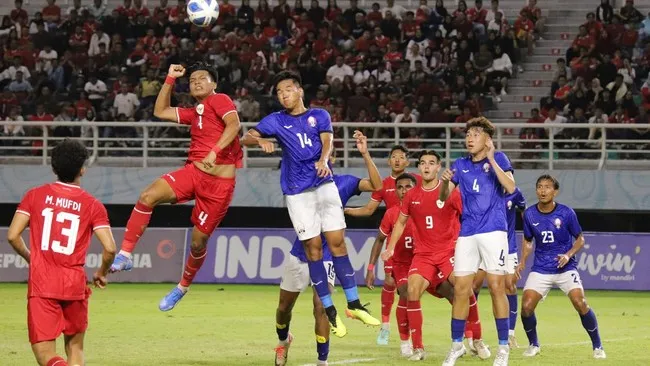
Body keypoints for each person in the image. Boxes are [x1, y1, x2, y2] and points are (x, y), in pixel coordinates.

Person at [242, 71, 380, 337]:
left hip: (324, 183)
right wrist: (260, 140)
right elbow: (246, 136)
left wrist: (323, 160)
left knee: (337, 242)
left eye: (288, 89)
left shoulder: (320, 115)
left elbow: (327, 141)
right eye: (279, 91)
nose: (284, 95)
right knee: (313, 249)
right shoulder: (276, 121)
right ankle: (330, 309)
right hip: (298, 192)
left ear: (300, 91)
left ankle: (353, 304)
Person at [109, 62, 243, 312]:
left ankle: (182, 287)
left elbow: (234, 126)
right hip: (193, 173)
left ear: (214, 84)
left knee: (197, 244)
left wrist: (215, 152)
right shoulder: (195, 113)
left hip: (218, 186)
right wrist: (169, 78)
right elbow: (161, 111)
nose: (196, 82)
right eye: (192, 80)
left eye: (202, 78)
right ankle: (125, 255)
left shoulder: (220, 99)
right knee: (147, 196)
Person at [274, 131, 382, 366]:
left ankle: (322, 361)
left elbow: (376, 185)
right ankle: (283, 341)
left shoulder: (342, 183)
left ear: (329, 157)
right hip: (300, 256)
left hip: (327, 258)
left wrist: (365, 154)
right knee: (284, 308)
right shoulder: (301, 184)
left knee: (321, 307)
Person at [7, 139, 117, 366]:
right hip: (74, 284)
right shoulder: (93, 204)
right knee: (75, 348)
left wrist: (32, 257)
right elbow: (110, 248)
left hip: (42, 284)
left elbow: (12, 235)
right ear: (82, 169)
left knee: (46, 356)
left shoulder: (34, 195)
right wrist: (101, 272)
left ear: (54, 168)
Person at [382, 150, 489, 361]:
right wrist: (391, 247)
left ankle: (476, 339)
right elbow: (401, 222)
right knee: (412, 289)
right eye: (423, 163)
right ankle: (418, 348)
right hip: (423, 255)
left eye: (431, 163)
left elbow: (468, 216)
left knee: (463, 289)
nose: (427, 167)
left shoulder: (449, 191)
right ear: (419, 167)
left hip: (449, 251)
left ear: (438, 167)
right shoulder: (412, 195)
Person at [439, 117, 517, 366]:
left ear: (487, 139)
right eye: (468, 134)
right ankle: (456, 346)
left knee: (496, 286)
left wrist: (492, 159)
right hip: (468, 232)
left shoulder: (500, 158)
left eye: (475, 134)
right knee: (462, 288)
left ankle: (503, 348)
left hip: (494, 230)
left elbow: (511, 187)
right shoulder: (460, 164)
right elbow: (443, 198)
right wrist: (443, 182)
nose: (470, 138)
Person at [516, 175, 606, 359]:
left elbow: (580, 239)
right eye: (539, 186)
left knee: (581, 304)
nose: (543, 190)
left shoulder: (566, 213)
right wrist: (523, 261)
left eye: (547, 187)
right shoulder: (530, 214)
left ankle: (598, 346)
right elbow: (527, 240)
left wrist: (568, 255)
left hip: (565, 268)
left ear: (555, 191)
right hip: (541, 268)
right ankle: (534, 344)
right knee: (526, 307)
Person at [345, 145, 422, 345]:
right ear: (389, 162)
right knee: (389, 281)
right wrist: (345, 210)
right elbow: (368, 210)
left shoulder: (416, 181)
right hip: (394, 239)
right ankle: (386, 327)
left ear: (407, 162)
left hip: (418, 239)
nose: (397, 160)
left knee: (412, 290)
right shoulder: (383, 185)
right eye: (393, 157)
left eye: (401, 157)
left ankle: (409, 328)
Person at [365, 173, 416, 356]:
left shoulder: (423, 209)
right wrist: (371, 268)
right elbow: (379, 240)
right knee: (401, 290)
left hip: (422, 260)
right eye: (400, 188)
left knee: (453, 291)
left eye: (407, 187)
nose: (403, 191)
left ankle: (467, 338)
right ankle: (394, 332)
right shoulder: (392, 213)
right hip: (399, 261)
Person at [473, 187, 526, 348]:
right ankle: (472, 335)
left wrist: (528, 236)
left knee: (509, 286)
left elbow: (526, 214)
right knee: (474, 285)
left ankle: (510, 334)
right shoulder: (483, 189)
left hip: (508, 246)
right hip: (483, 244)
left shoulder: (515, 193)